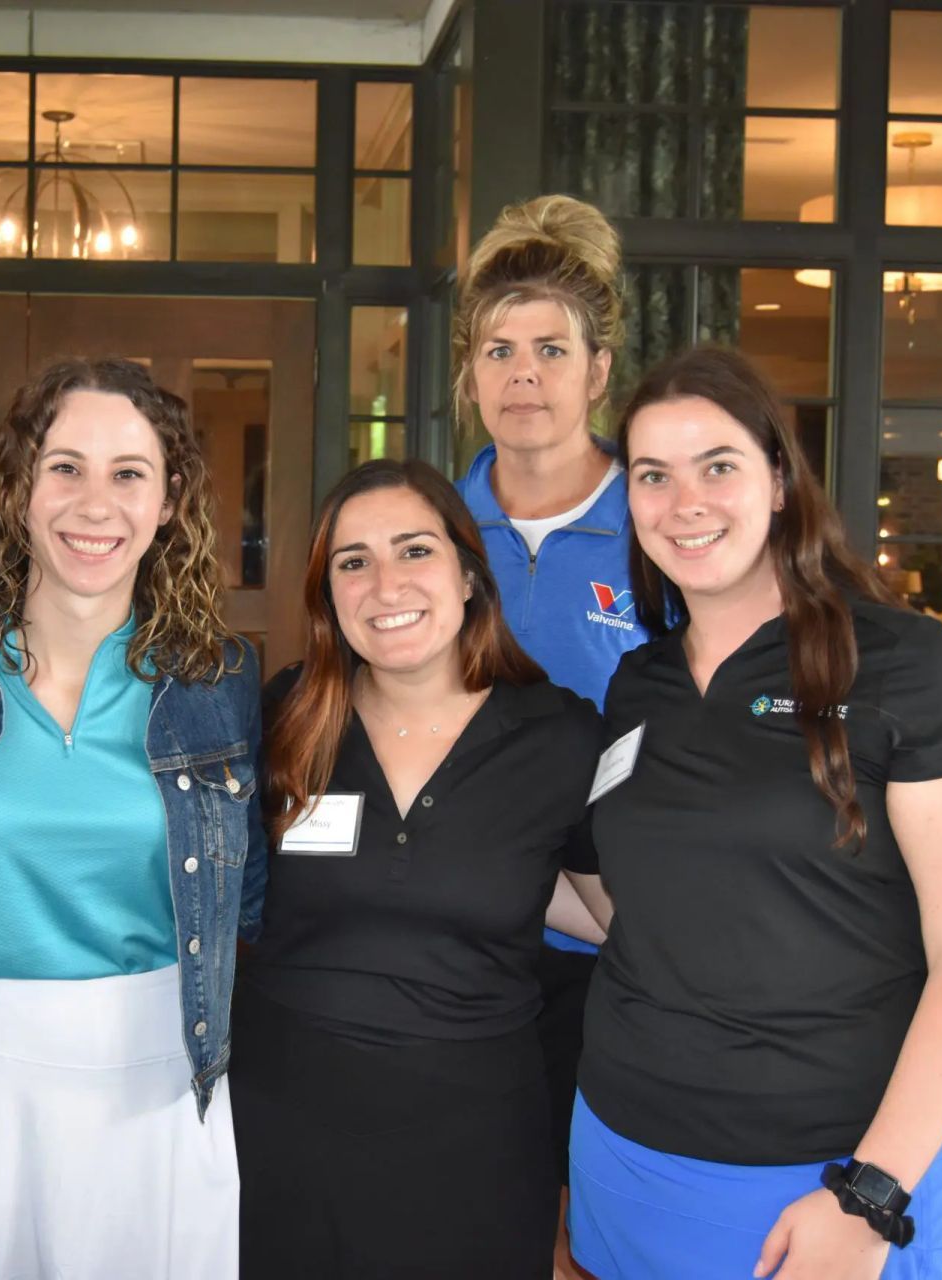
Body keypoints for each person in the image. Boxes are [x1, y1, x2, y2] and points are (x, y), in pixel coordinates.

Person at [570, 347, 942, 1278]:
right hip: (628, 1149)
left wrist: (871, 1194)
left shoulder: (902, 662)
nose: (684, 502)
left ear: (779, 480)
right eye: (653, 475)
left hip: (830, 1179)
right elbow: (642, 906)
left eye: (718, 465)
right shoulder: (637, 682)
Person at [0, 357, 266, 1280]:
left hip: (162, 1076)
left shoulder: (219, 679)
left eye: (129, 473)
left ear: (168, 503)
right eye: (65, 467)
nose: (96, 503)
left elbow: (245, 901)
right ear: (18, 488)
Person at [230, 458, 611, 1279]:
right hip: (280, 1134)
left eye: (414, 551)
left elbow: (618, 918)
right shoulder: (286, 716)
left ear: (470, 574)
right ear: (327, 592)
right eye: (353, 561)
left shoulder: (558, 736)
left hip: (476, 1146)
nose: (384, 583)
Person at [450, 194, 650, 1260]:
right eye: (499, 349)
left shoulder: (661, 528)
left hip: (622, 952)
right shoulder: (432, 532)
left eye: (551, 348)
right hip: (463, 942)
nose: (524, 373)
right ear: (472, 373)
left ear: (598, 369)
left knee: (590, 1238)